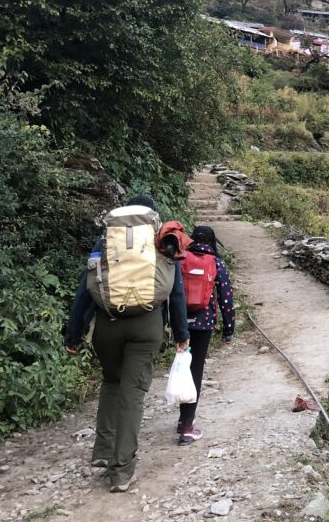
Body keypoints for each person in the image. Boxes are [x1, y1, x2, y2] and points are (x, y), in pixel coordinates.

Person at [64, 195, 189, 492]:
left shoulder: (106, 240)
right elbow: (176, 293)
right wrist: (181, 333)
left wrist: (74, 334)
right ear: (152, 217)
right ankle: (121, 473)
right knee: (132, 396)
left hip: (107, 325)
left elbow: (86, 290)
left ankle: (103, 453)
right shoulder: (162, 240)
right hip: (147, 326)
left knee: (111, 382)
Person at [177, 225, 235, 446]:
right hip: (203, 325)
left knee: (181, 367)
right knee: (195, 371)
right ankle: (187, 426)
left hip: (181, 323)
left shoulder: (180, 259)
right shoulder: (216, 263)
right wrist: (228, 330)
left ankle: (183, 419)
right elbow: (226, 300)